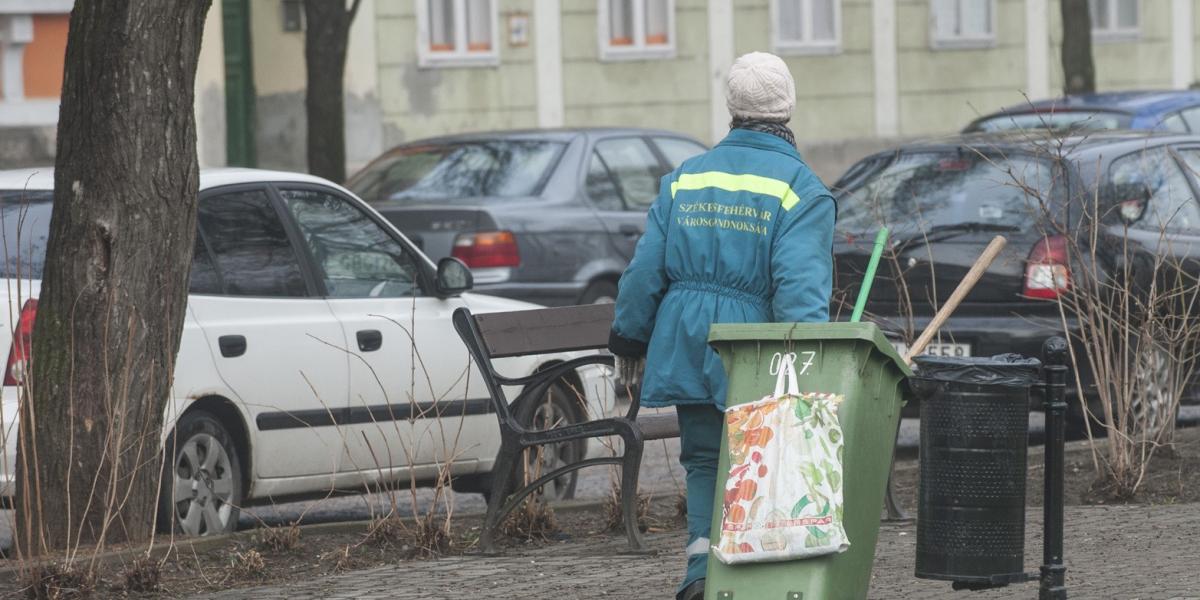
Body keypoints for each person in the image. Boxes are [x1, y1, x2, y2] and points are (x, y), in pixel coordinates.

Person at [607, 52, 836, 600]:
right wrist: (804, 364)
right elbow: (800, 294)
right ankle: (758, 577)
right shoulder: (800, 189)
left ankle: (699, 573)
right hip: (755, 347)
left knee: (705, 460)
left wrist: (629, 337)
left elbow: (644, 272)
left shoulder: (686, 179)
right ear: (788, 106)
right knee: (765, 462)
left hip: (689, 337)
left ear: (732, 107)